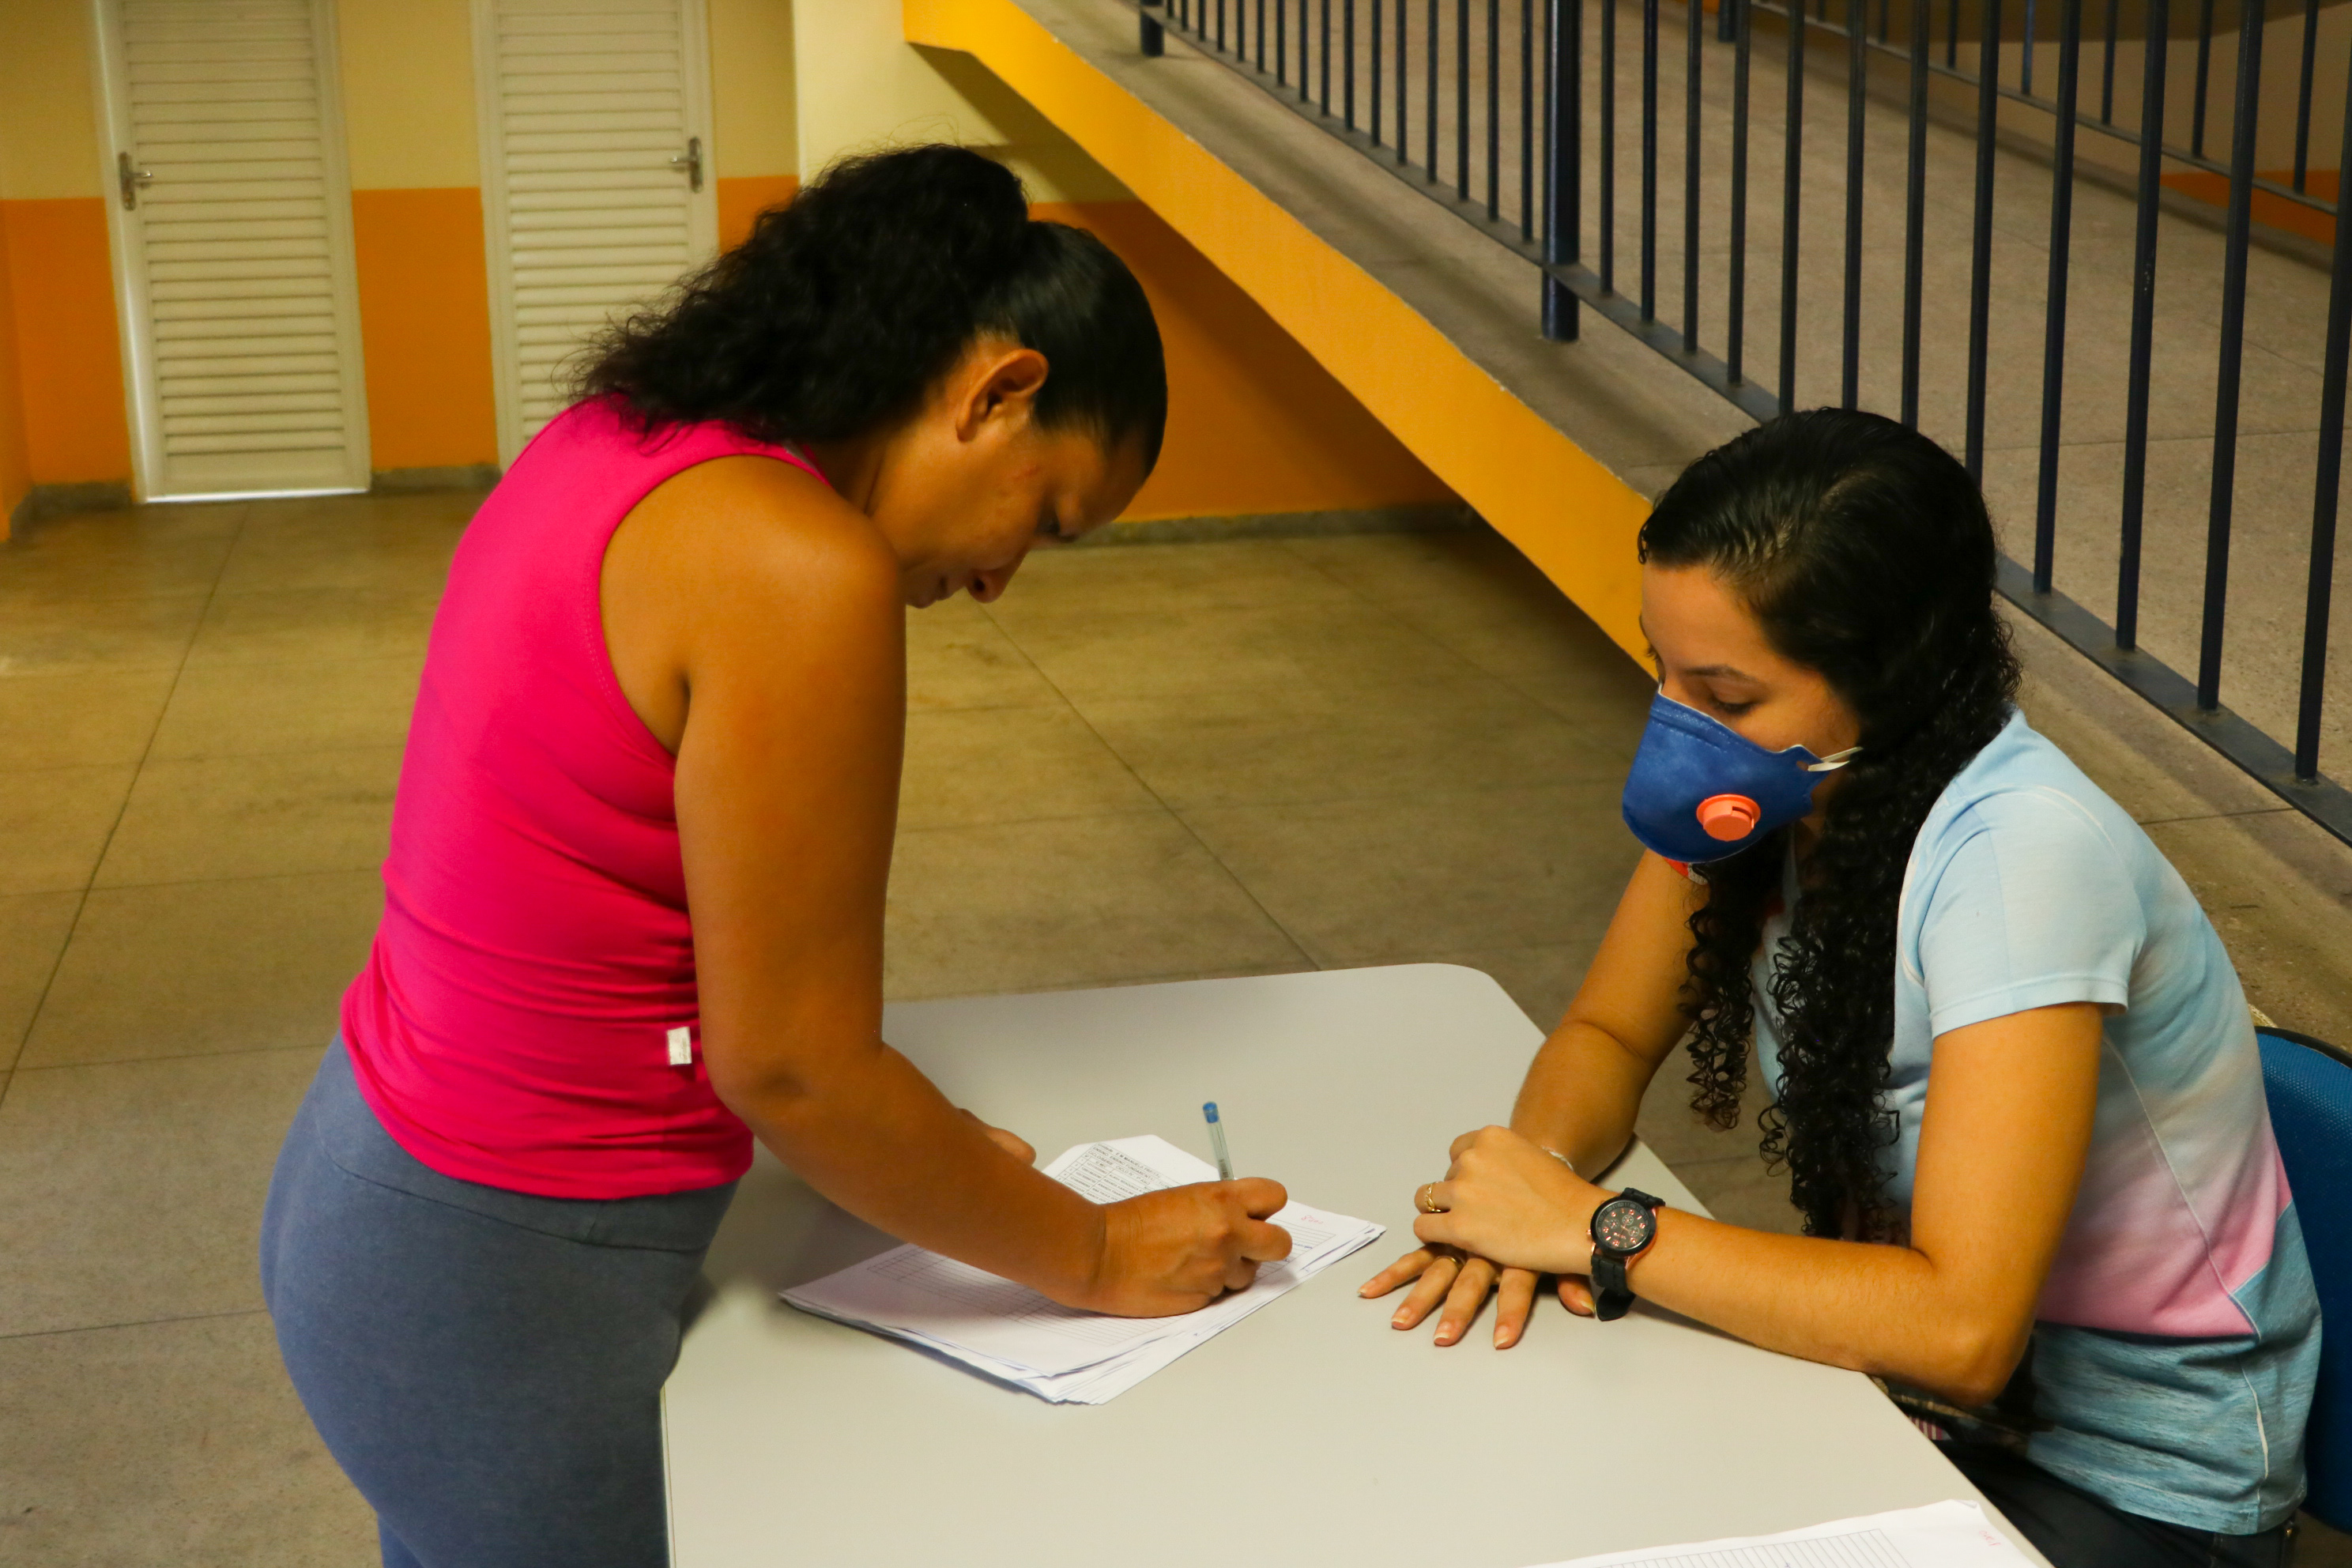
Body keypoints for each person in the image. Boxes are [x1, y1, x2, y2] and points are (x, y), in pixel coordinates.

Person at [258, 145, 1292, 1568]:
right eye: (1044, 516)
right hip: (497, 1265)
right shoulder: (796, 566)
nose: (1001, 581)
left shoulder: (629, 440)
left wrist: (907, 1156)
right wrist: (1095, 1251)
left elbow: (655, 940)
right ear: (999, 392)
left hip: (378, 1181)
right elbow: (792, 1062)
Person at [1363, 409, 2316, 1568]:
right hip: (1901, 1401)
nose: (1680, 727)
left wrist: (1599, 1229)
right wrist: (1533, 1191)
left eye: (1726, 694)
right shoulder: (1766, 796)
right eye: (1664, 668)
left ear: (1890, 677)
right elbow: (1609, 1032)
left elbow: (1961, 1329)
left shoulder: (2022, 862)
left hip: (2126, 1482)